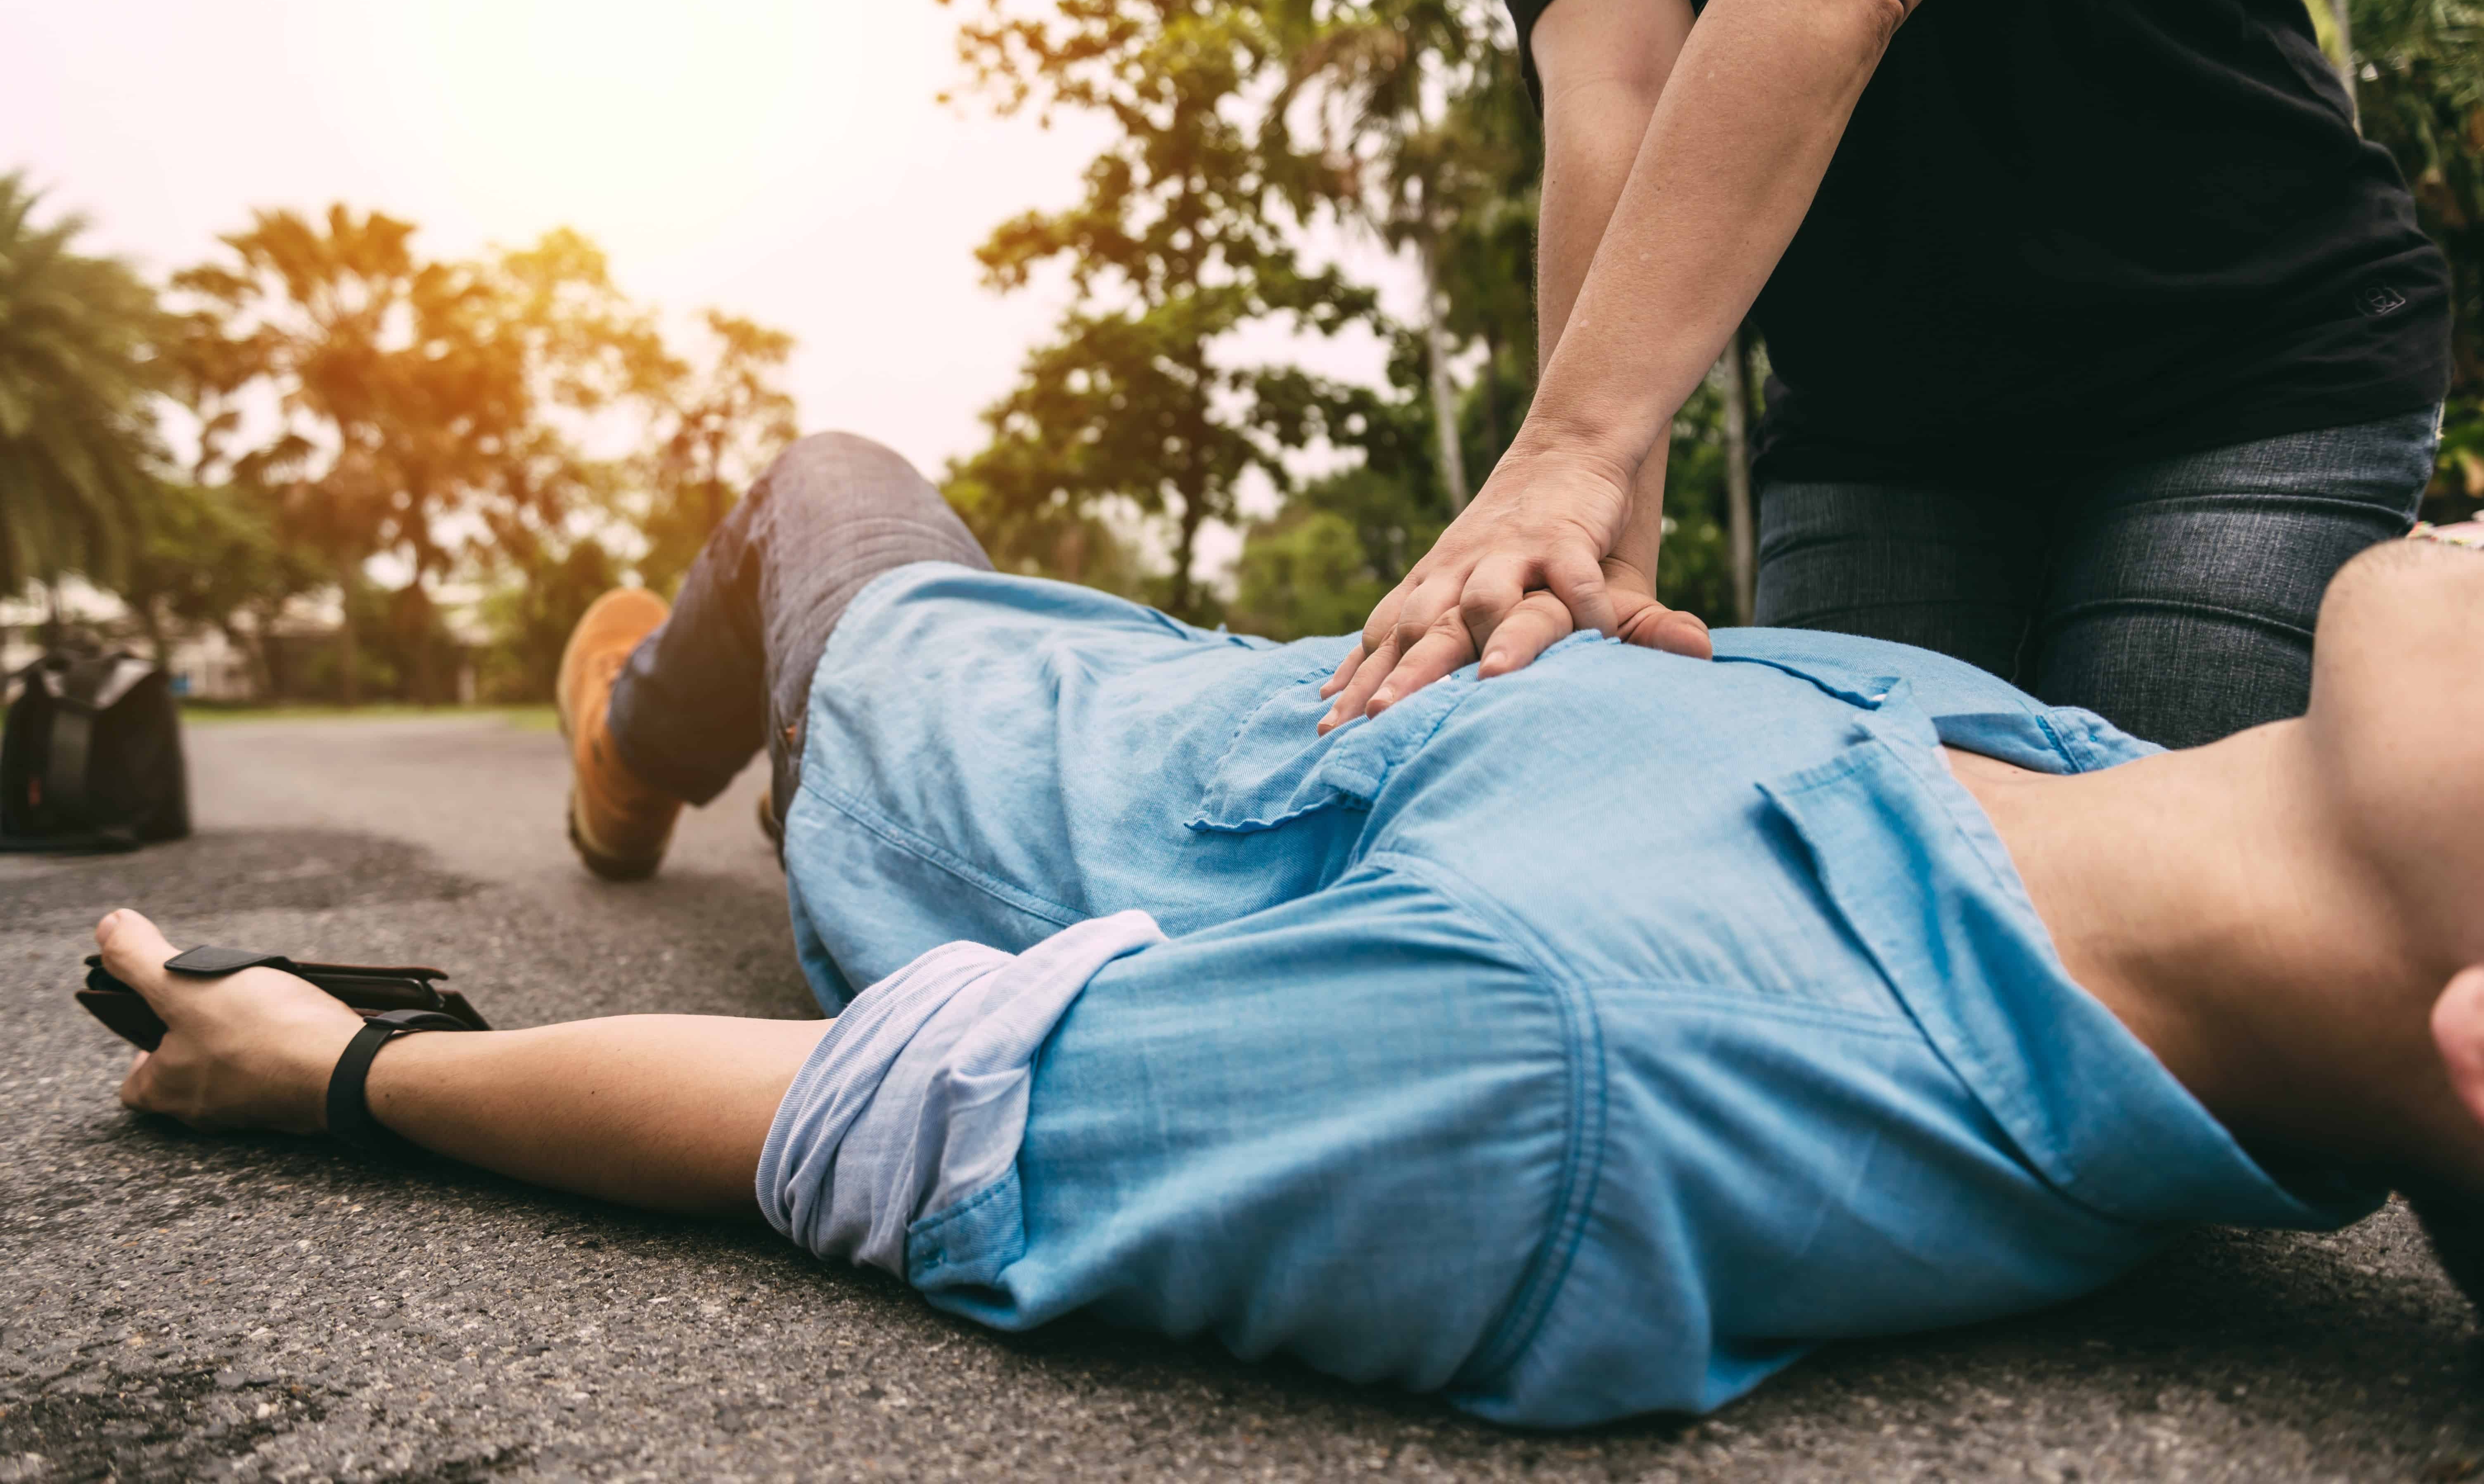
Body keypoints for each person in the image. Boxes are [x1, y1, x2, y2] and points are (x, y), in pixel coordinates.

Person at [92, 435, 2484, 1428]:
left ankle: (636, 739)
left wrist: (334, 1073)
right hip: (1219, 692)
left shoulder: (1577, 1071)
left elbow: (887, 1112)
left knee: (824, 480)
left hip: (965, 734)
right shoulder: (2087, 784)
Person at [1317, 0, 2452, 752]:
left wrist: (1571, 449)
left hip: (2242, 367)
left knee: (2126, 890)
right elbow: (1620, 81)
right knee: (1871, 890)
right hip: (1881, 421)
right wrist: (1599, 552)